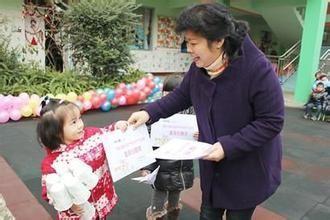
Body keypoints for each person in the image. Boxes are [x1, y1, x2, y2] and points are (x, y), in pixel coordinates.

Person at [128, 3, 284, 220]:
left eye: (193, 43)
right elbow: (181, 96)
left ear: (219, 41)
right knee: (208, 212)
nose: (189, 49)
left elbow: (271, 121)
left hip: (247, 169)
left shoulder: (258, 69)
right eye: (187, 42)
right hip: (212, 167)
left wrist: (228, 146)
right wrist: (147, 113)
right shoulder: (200, 66)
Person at [37, 98, 128, 219]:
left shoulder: (93, 135)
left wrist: (117, 127)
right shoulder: (53, 162)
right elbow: (49, 192)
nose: (80, 125)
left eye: (80, 118)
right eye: (73, 122)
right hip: (80, 211)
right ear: (56, 131)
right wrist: (70, 204)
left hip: (101, 197)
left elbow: (107, 134)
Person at [141, 75, 197, 220]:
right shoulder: (157, 114)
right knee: (164, 188)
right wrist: (147, 167)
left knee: (173, 188)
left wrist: (199, 135)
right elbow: (147, 142)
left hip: (179, 161)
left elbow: (199, 134)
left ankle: (165, 212)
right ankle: (162, 211)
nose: (170, 99)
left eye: (174, 94)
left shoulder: (191, 114)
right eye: (167, 93)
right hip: (165, 162)